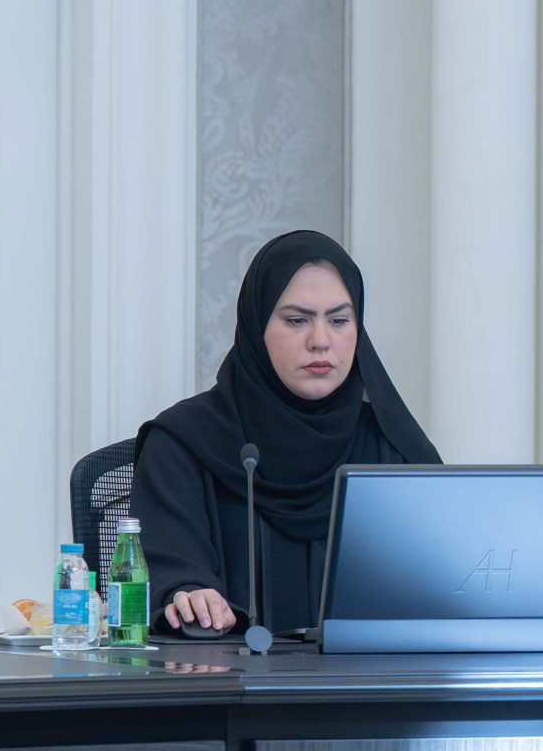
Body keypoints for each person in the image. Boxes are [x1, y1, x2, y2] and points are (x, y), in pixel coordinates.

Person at [132, 230, 439, 634]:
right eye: (297, 320)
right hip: (226, 670)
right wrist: (188, 594)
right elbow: (170, 574)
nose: (320, 341)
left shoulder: (392, 448)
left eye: (339, 320)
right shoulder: (183, 443)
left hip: (368, 672)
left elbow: (444, 581)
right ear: (257, 325)